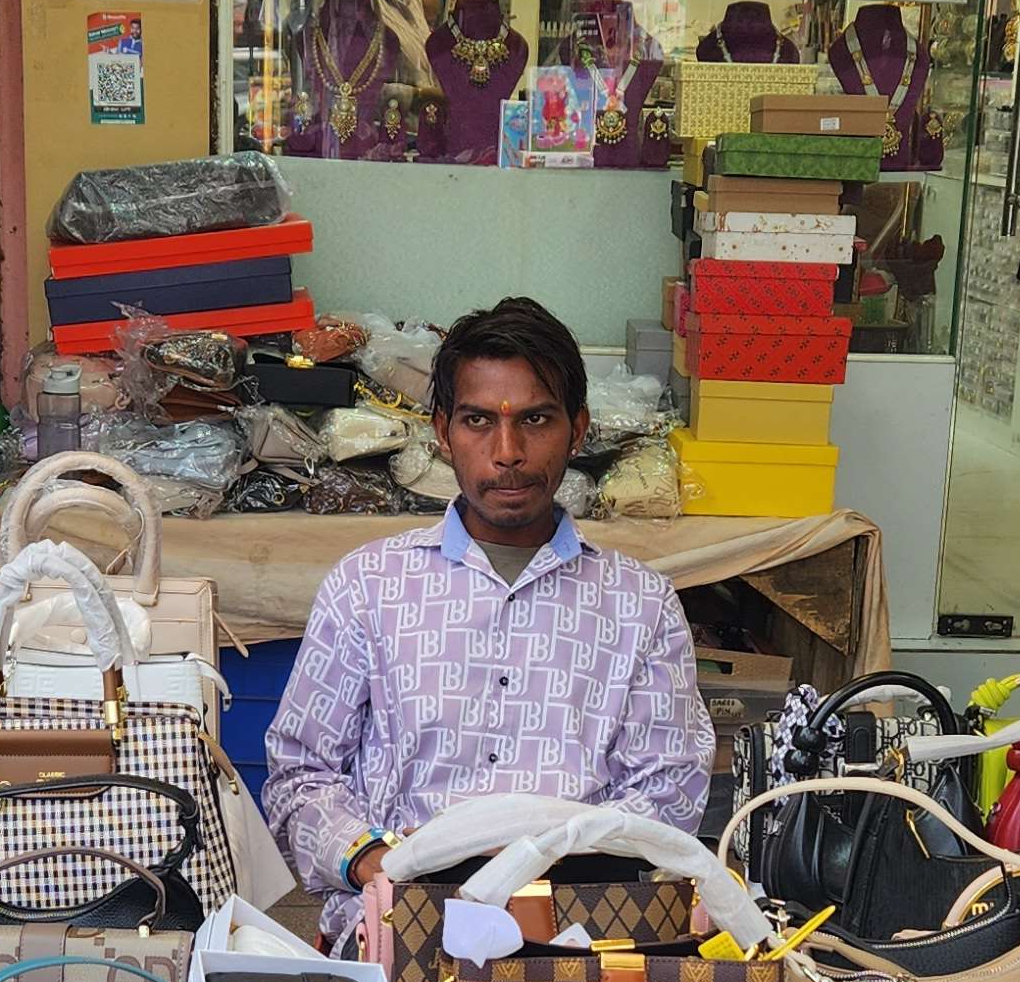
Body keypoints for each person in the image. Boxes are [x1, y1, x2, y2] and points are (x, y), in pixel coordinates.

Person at [264, 297, 715, 899]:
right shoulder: (368, 587)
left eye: (535, 420)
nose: (507, 452)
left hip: (576, 922)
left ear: (577, 431)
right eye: (478, 421)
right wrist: (369, 861)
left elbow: (670, 787)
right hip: (406, 910)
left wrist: (540, 859)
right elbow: (301, 772)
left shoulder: (640, 604)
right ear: (442, 434)